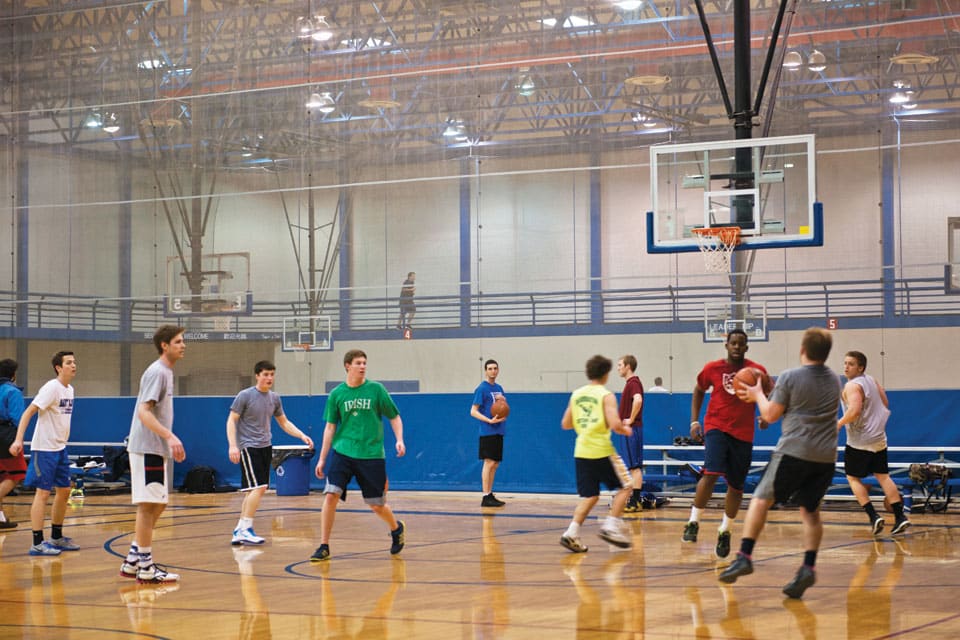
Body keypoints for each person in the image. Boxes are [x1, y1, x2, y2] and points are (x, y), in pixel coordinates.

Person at [719, 327, 842, 599]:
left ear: (802, 349)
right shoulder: (835, 379)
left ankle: (744, 556)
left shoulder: (790, 376)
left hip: (795, 451)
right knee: (810, 512)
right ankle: (808, 566)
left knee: (760, 499)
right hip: (826, 457)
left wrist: (757, 393)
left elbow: (771, 415)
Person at [310, 349, 406, 561]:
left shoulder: (376, 389)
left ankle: (396, 528)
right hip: (343, 451)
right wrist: (323, 458)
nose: (362, 366)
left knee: (376, 505)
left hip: (371, 454)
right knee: (331, 495)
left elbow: (394, 416)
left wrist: (399, 439)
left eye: (364, 362)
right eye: (358, 363)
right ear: (347, 365)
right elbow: (330, 427)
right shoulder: (337, 394)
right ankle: (324, 545)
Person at [684, 329, 770, 559]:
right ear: (727, 345)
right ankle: (693, 521)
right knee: (710, 473)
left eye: (741, 344)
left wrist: (765, 415)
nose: (736, 347)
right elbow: (699, 390)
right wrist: (694, 421)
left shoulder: (757, 372)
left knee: (736, 486)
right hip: (716, 426)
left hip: (743, 433)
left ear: (746, 347)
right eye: (733, 343)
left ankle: (725, 530)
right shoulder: (713, 368)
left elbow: (768, 395)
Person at [119, 325, 186, 584]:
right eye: (178, 341)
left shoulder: (166, 373)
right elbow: (144, 412)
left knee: (158, 503)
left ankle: (133, 559)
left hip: (154, 448)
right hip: (147, 446)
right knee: (148, 507)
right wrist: (170, 436)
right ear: (164, 345)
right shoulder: (157, 372)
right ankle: (145, 567)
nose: (183, 345)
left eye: (183, 341)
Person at [226, 360, 314, 545]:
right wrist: (233, 445)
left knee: (253, 490)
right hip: (249, 446)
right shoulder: (245, 396)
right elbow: (231, 420)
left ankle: (240, 529)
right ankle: (246, 528)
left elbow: (284, 422)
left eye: (272, 374)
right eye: (265, 374)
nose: (269, 378)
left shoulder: (274, 398)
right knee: (259, 488)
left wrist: (301, 435)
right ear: (257, 375)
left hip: (266, 446)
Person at [559, 354, 634, 552]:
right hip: (601, 449)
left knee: (590, 496)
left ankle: (571, 533)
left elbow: (565, 424)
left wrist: (584, 421)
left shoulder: (577, 394)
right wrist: (625, 429)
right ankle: (611, 526)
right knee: (627, 486)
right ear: (606, 374)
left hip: (581, 450)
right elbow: (615, 424)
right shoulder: (605, 395)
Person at [10, 351, 78, 555]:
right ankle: (37, 543)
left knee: (65, 490)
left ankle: (56, 537)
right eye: (69, 362)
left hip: (60, 448)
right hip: (44, 449)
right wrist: (18, 439)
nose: (73, 365)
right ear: (59, 367)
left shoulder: (70, 389)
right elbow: (28, 412)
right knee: (42, 493)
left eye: (74, 362)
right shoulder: (51, 388)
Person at [838, 350, 909, 536]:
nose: (846, 367)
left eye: (851, 364)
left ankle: (873, 516)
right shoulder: (871, 380)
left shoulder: (852, 386)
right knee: (883, 476)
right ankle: (900, 517)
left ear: (860, 367)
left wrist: (838, 424)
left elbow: (853, 411)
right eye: (845, 363)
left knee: (852, 478)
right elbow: (885, 401)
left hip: (859, 440)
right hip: (878, 438)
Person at [470, 359, 507, 507]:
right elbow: (473, 411)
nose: (493, 371)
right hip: (487, 431)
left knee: (495, 463)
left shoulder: (499, 388)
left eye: (495, 368)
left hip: (499, 430)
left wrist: (504, 402)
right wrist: (488, 421)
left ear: (498, 370)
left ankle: (490, 494)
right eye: (490, 368)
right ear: (486, 371)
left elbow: (503, 407)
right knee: (488, 462)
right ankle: (485, 496)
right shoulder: (482, 389)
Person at [616, 355, 645, 513]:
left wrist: (630, 419)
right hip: (630, 429)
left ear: (628, 366)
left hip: (632, 429)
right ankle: (634, 500)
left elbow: (638, 400)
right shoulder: (631, 384)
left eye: (620, 365)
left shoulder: (633, 383)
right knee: (633, 467)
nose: (618, 368)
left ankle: (635, 501)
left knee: (635, 467)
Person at [0, 358, 27, 529]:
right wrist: (18, 440)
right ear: (13, 374)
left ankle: (1, 518)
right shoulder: (12, 392)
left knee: (2, 476)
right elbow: (19, 419)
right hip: (7, 437)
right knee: (17, 473)